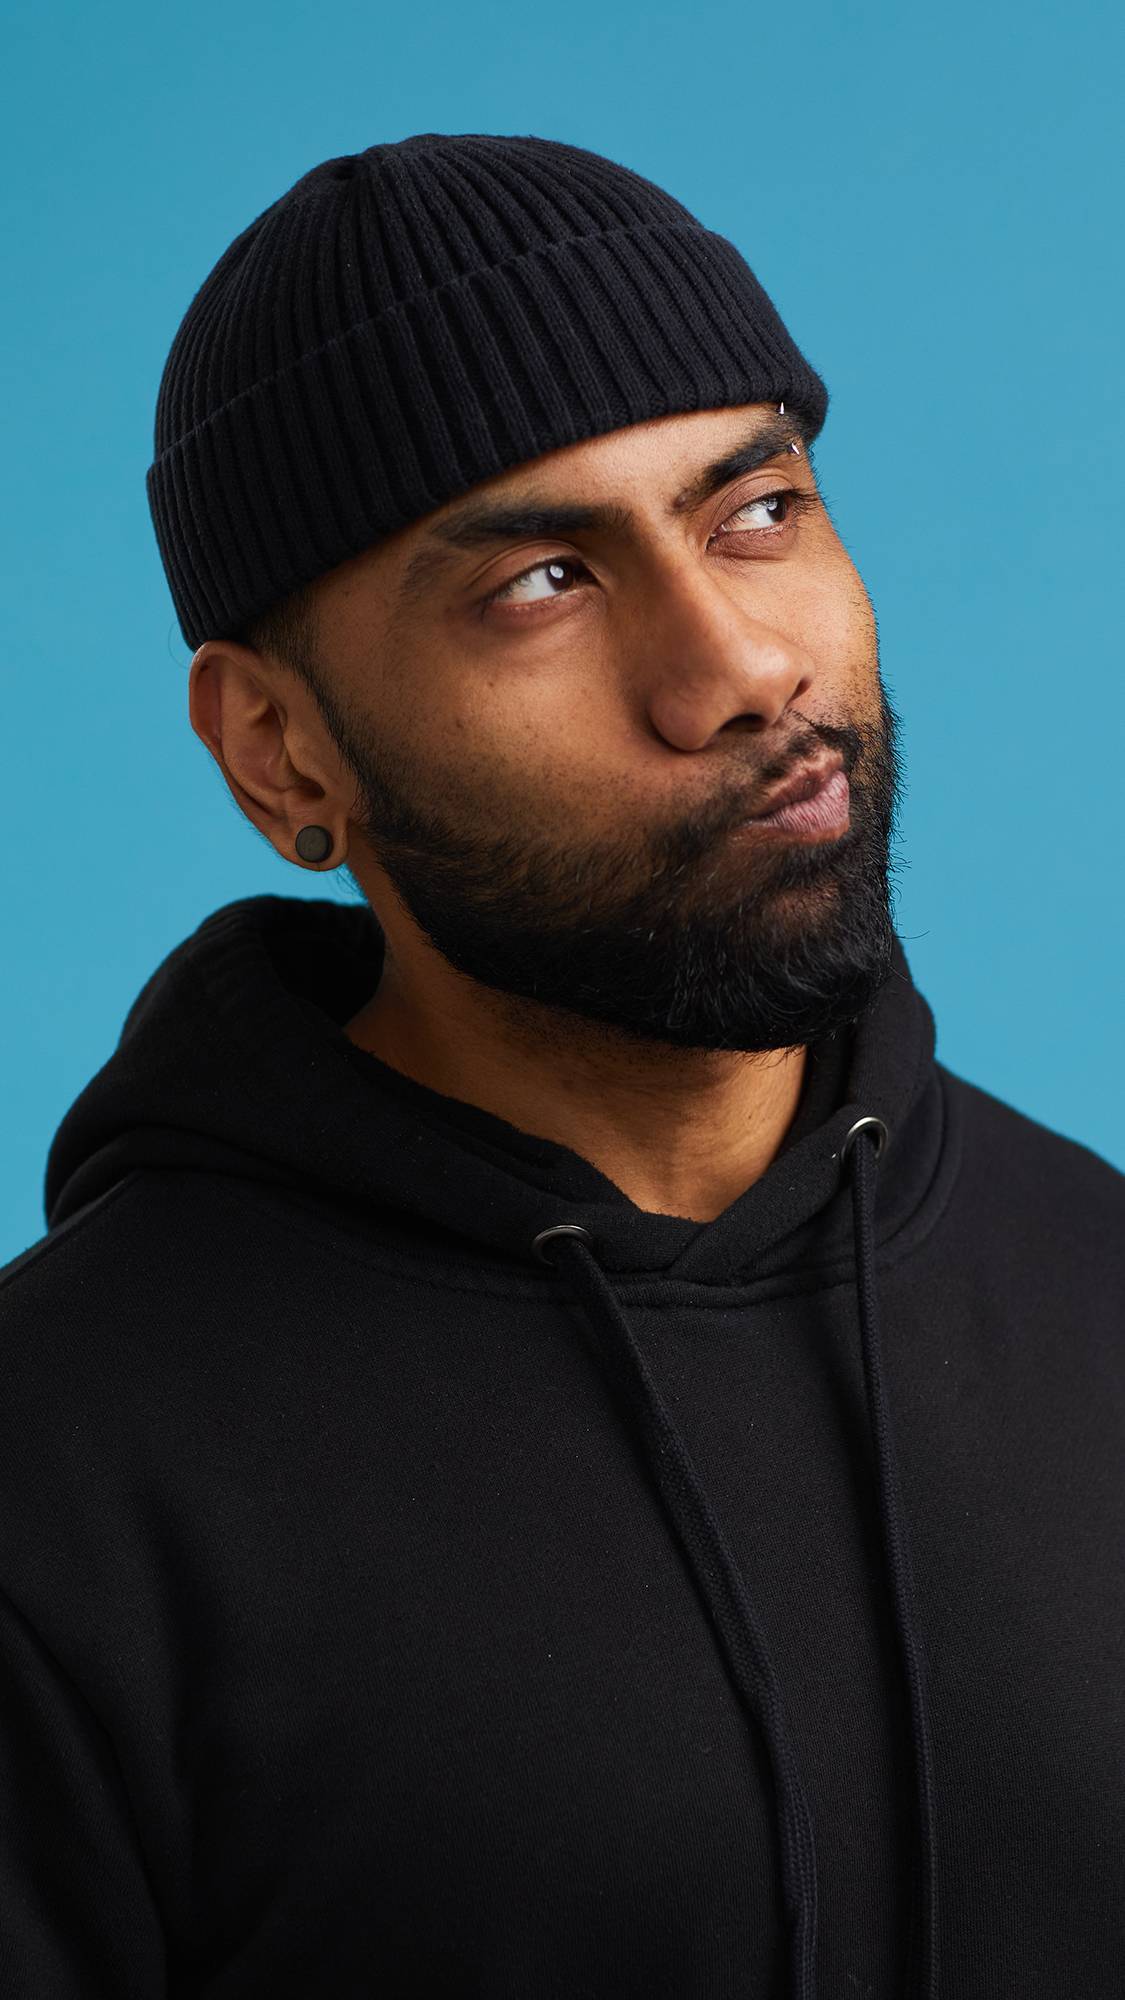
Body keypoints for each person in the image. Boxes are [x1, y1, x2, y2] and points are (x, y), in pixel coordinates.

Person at [1, 132, 1122, 2000]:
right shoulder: (60, 1485)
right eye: (541, 580)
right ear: (281, 751)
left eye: (756, 508)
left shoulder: (1098, 1282)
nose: (736, 668)